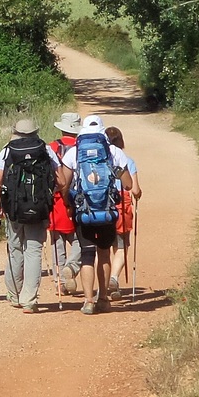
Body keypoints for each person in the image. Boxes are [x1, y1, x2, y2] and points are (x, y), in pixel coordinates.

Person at [56, 115, 136, 314]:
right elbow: (128, 184)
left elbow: (63, 184)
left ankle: (88, 301)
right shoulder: (114, 151)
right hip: (107, 211)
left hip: (84, 211)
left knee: (87, 255)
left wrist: (68, 203)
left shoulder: (74, 152)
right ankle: (103, 298)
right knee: (104, 254)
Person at [0, 117, 59, 314]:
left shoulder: (7, 151)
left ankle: (14, 294)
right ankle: (29, 299)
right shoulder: (46, 150)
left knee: (15, 249)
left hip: (14, 209)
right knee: (34, 251)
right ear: (35, 132)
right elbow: (61, 179)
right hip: (38, 208)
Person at [48, 112, 83, 298]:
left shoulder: (51, 147)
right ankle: (72, 266)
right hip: (77, 201)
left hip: (55, 201)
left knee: (56, 244)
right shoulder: (82, 148)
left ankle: (60, 283)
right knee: (80, 240)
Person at [106, 125, 143, 295]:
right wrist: (139, 194)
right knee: (121, 246)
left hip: (102, 206)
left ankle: (103, 285)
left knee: (103, 248)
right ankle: (114, 278)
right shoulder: (128, 160)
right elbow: (134, 190)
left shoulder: (99, 159)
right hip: (122, 205)